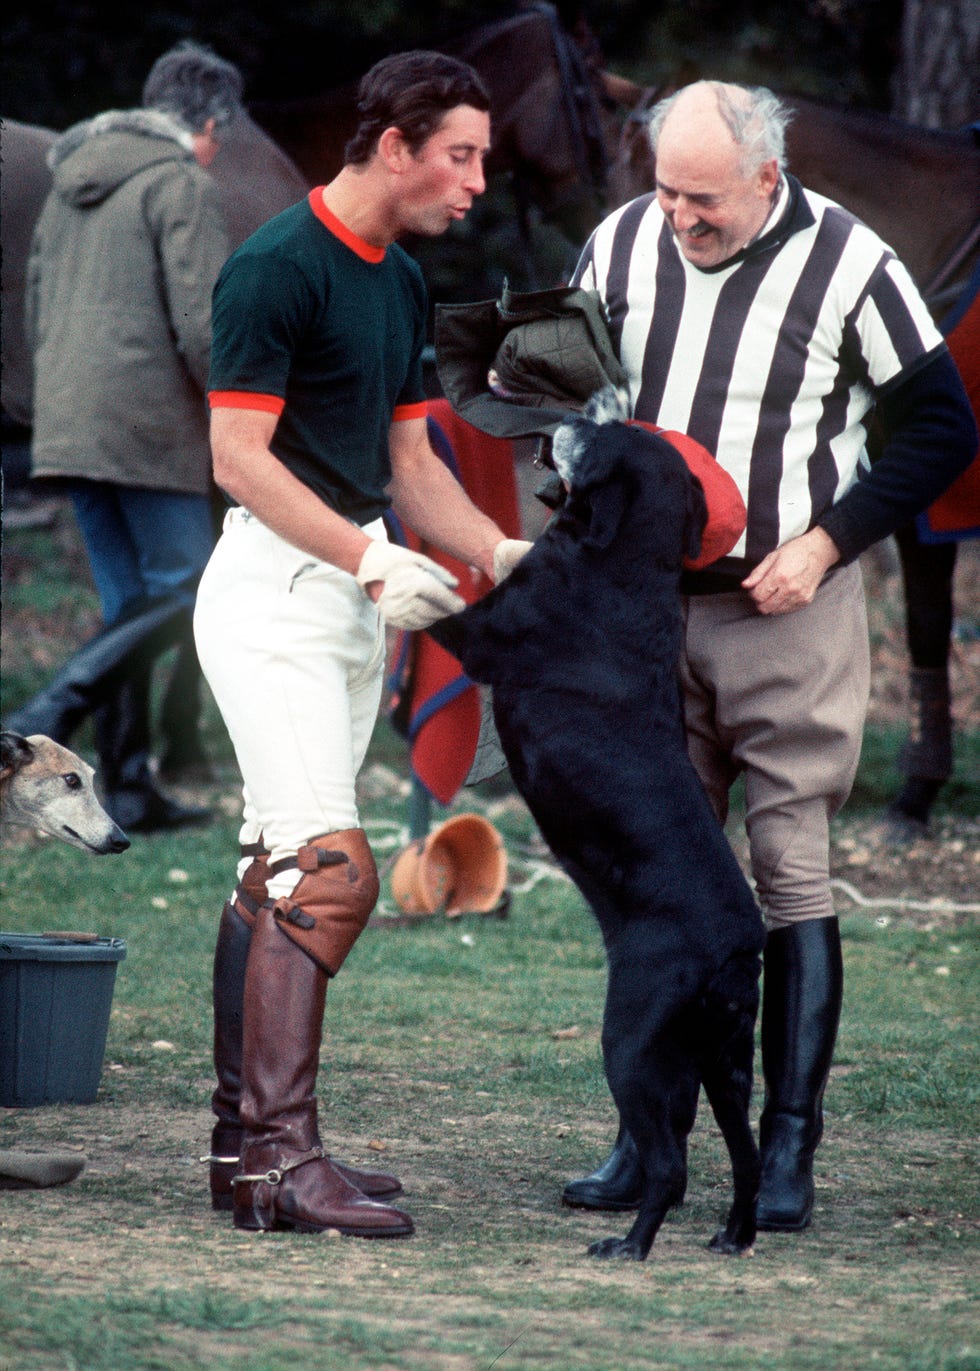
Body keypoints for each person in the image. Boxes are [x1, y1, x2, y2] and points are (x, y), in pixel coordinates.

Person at [562, 80, 976, 1232]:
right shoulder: (619, 241)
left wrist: (827, 539)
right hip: (647, 606)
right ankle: (645, 1137)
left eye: (702, 197)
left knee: (786, 868)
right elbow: (571, 389)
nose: (679, 216)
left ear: (764, 175)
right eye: (664, 189)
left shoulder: (852, 263)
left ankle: (788, 1147)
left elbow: (941, 428)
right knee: (660, 878)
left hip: (783, 603)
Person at [192, 50, 531, 1240]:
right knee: (329, 872)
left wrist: (500, 553)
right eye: (460, 154)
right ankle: (287, 1161)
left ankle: (243, 1151)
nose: (477, 181)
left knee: (272, 869)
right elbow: (239, 461)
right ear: (393, 145)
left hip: (340, 598)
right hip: (271, 594)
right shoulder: (275, 266)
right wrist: (366, 557)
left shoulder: (394, 284)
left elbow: (408, 466)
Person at [16, 40, 242, 828]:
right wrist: (238, 409)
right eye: (222, 138)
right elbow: (201, 323)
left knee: (129, 605)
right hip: (148, 426)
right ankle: (54, 703)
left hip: (71, 420)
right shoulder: (181, 181)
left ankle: (133, 788)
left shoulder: (67, 182)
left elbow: (36, 306)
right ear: (207, 122)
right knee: (189, 587)